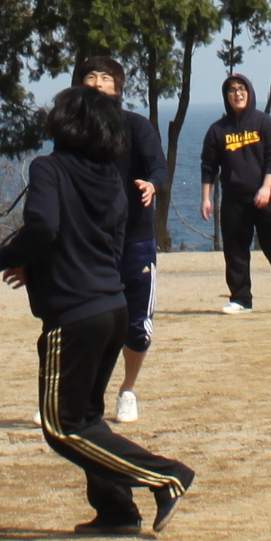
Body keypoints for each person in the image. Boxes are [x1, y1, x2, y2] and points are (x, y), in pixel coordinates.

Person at [0, 84, 195, 533]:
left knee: (63, 427)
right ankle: (116, 512)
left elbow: (44, 227)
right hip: (112, 307)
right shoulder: (110, 178)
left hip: (74, 315)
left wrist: (2, 259)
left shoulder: (48, 168)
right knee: (89, 418)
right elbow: (103, 242)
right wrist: (38, 267)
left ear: (65, 123)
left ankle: (166, 476)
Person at [78, 57, 168, 419]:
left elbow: (158, 165)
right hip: (90, 239)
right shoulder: (74, 133)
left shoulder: (137, 126)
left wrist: (153, 184)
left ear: (118, 86)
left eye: (106, 77)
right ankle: (79, 396)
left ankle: (127, 390)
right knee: (85, 320)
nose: (98, 83)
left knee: (136, 326)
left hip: (136, 238)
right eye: (91, 77)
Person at [198, 73, 271, 312]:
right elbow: (208, 166)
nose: (237, 94)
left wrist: (266, 188)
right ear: (226, 96)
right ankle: (240, 300)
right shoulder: (218, 130)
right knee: (235, 252)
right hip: (234, 200)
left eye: (241, 89)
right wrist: (205, 198)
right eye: (232, 90)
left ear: (249, 92)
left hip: (268, 197)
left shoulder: (264, 122)